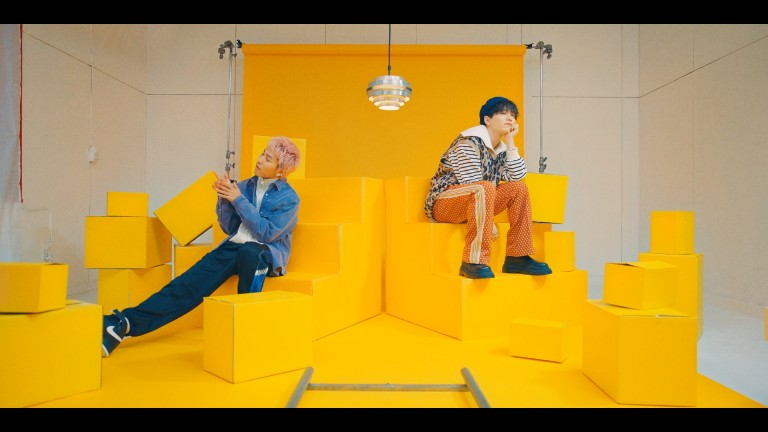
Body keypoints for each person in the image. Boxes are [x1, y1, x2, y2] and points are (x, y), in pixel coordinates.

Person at [101, 136, 302, 357]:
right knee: (186, 285)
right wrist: (224, 198)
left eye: (268, 158)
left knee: (250, 252)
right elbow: (230, 227)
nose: (260, 159)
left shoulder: (290, 199)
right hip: (234, 247)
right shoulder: (245, 186)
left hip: (263, 253)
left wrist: (238, 200)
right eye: (263, 153)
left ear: (280, 171)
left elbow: (267, 233)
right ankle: (122, 323)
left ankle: (247, 329)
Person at [423, 96, 552, 279]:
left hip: (478, 200)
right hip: (445, 204)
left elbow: (517, 176)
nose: (510, 118)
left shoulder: (501, 150)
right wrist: (489, 223)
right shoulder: (468, 142)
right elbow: (472, 182)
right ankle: (473, 261)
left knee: (518, 188)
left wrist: (510, 142)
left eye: (513, 115)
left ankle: (517, 257)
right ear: (487, 120)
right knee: (484, 187)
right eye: (503, 113)